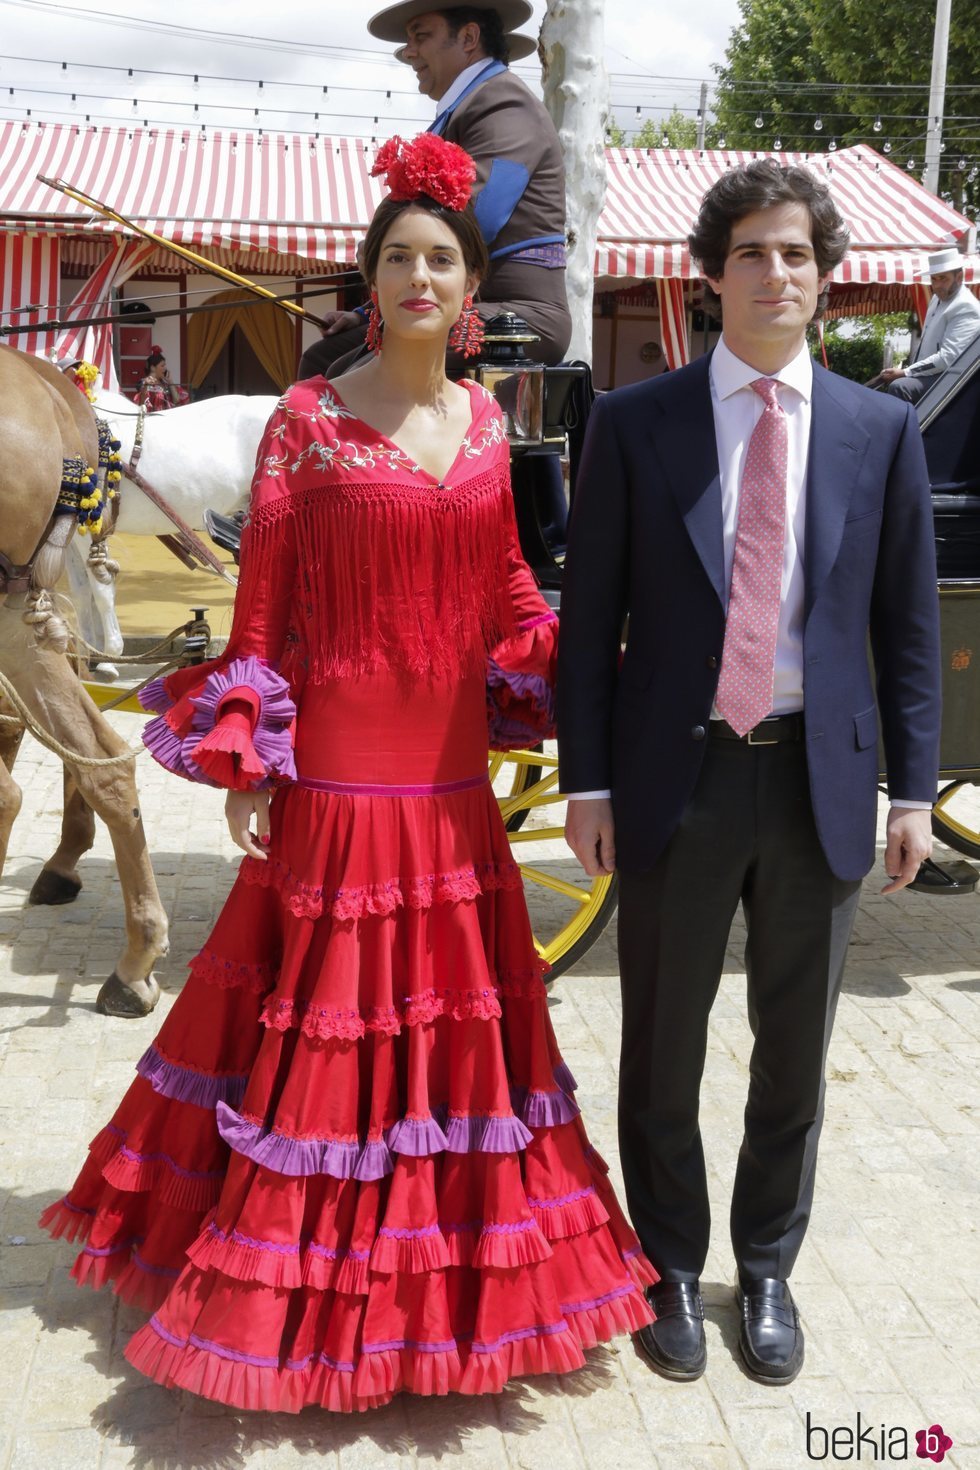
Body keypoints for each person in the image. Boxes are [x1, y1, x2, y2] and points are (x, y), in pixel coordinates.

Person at [41, 134, 654, 1413]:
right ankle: (291, 1297)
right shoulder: (305, 424)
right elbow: (261, 609)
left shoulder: (488, 421)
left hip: (448, 793)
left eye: (439, 259)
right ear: (365, 286)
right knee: (313, 1037)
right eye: (396, 260)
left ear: (466, 288)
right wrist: (249, 757)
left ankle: (436, 1299)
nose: (417, 277)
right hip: (335, 782)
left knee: (451, 1050)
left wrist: (566, 638)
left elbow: (499, 585)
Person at [557, 159, 941, 1387]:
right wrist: (587, 782)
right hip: (677, 781)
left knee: (792, 1050)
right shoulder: (634, 423)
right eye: (751, 254)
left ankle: (764, 1265)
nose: (775, 274)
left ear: (824, 279)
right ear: (709, 276)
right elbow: (589, 620)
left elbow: (906, 628)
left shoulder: (879, 432)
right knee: (662, 1042)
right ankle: (667, 1263)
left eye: (796, 255)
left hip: (819, 785)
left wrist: (910, 791)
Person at [299, 1, 570, 378]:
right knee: (324, 358)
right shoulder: (469, 105)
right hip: (465, 303)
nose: (409, 52)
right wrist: (366, 313)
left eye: (421, 36)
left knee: (345, 373)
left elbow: (480, 213)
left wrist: (382, 252)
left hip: (519, 313)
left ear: (469, 37)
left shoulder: (504, 102)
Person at [881, 246, 980, 403]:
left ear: (959, 277)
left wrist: (905, 372)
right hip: (931, 375)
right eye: (934, 279)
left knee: (899, 387)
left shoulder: (966, 306)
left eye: (943, 278)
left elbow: (948, 358)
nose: (937, 285)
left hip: (949, 379)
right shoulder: (936, 299)